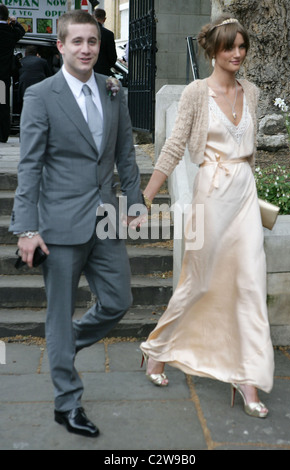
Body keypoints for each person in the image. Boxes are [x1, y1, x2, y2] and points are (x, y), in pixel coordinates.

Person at [9, 10, 144, 438]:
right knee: (59, 313)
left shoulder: (113, 89)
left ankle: (62, 344)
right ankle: (67, 403)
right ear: (62, 46)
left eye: (93, 41)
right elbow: (29, 166)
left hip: (104, 220)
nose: (86, 49)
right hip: (58, 224)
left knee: (118, 300)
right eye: (78, 42)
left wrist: (135, 204)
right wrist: (26, 229)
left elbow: (125, 154)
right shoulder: (41, 95)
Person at [140, 14, 274, 419]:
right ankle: (157, 353)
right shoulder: (197, 93)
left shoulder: (250, 91)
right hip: (210, 198)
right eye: (229, 46)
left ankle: (247, 378)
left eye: (242, 46)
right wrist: (146, 196)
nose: (238, 53)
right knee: (198, 282)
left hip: (244, 197)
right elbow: (175, 146)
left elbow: (249, 150)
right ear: (213, 50)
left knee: (250, 284)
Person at [0, 5, 25, 142]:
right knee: (2, 105)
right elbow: (21, 31)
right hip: (2, 77)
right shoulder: (10, 32)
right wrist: (15, 23)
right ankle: (3, 134)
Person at [93, 8, 117, 76]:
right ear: (104, 19)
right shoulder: (108, 34)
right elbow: (112, 57)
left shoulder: (85, 32)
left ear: (92, 17)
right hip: (103, 72)